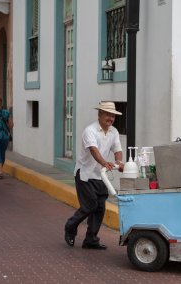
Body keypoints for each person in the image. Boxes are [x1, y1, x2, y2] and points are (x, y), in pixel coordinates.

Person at [65, 101, 125, 250]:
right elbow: (93, 150)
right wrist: (105, 163)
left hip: (101, 176)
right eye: (107, 114)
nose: (110, 118)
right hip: (85, 174)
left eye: (113, 116)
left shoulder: (114, 131)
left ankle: (90, 240)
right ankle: (70, 226)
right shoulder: (89, 131)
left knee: (99, 209)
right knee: (90, 205)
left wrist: (118, 162)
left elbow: (117, 149)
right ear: (99, 114)